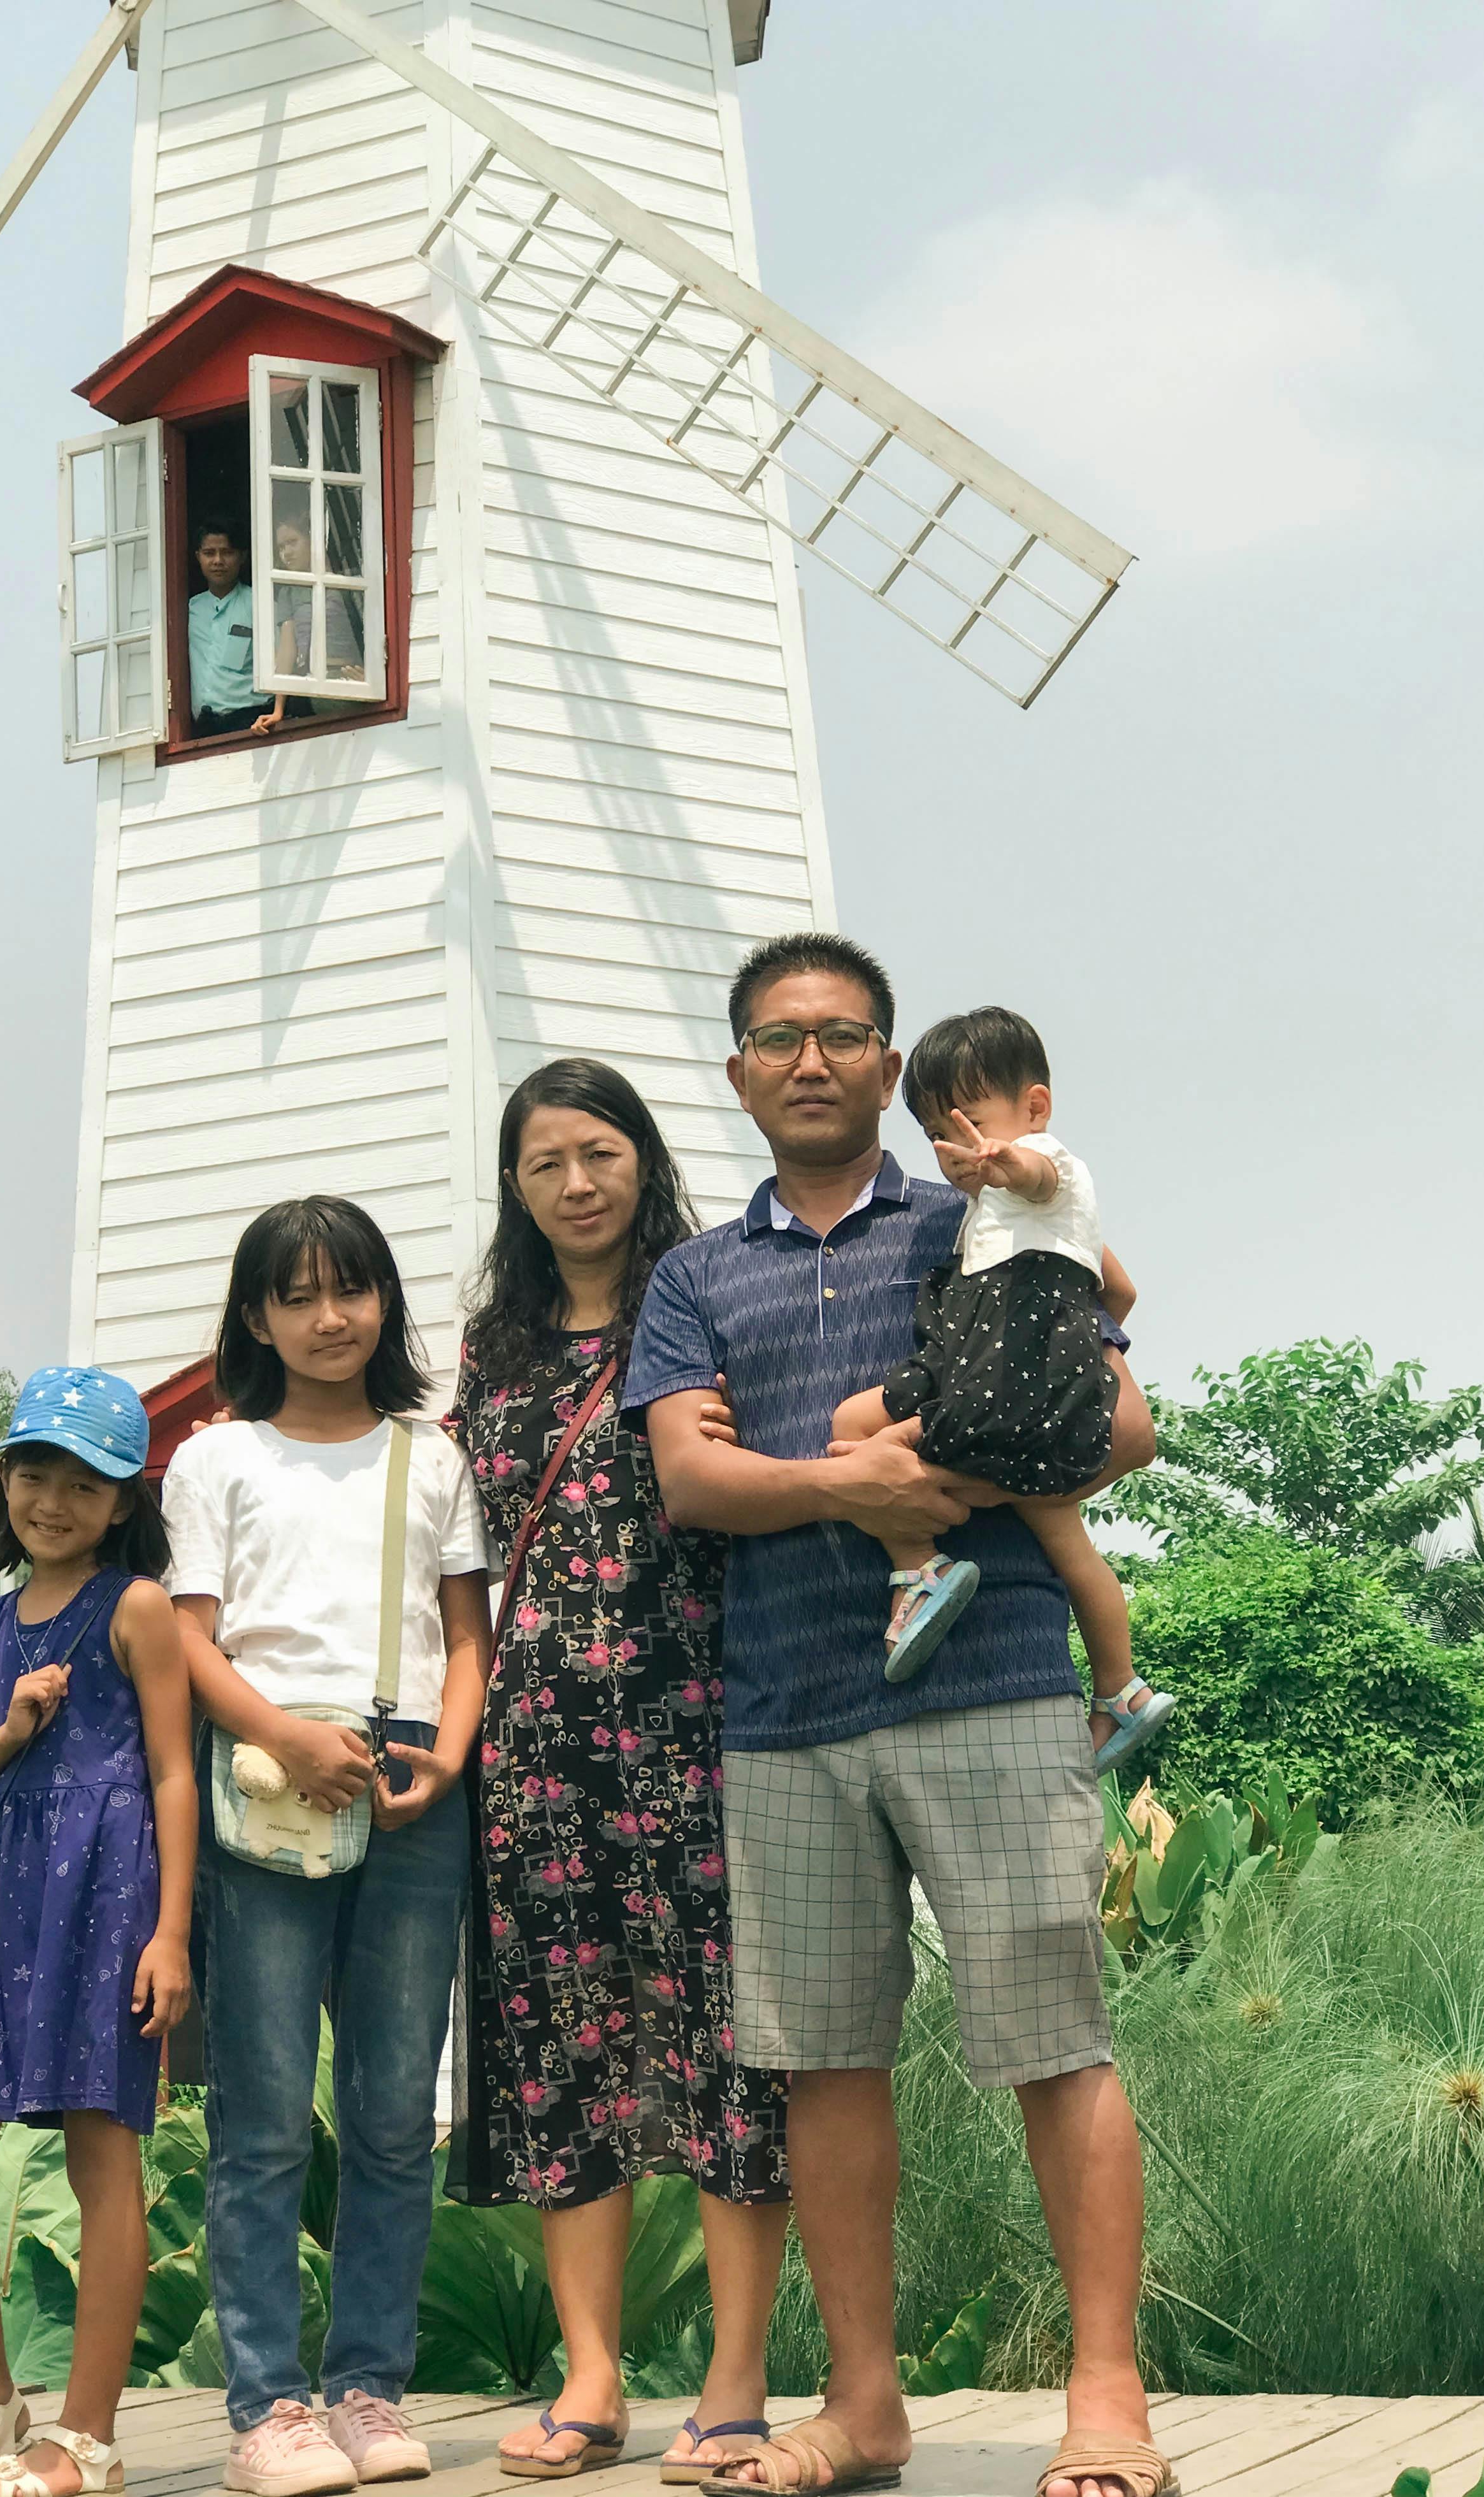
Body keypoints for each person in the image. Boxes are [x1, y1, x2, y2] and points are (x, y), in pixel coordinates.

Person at [623, 932, 1175, 2497]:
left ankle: (1104, 2395)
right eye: (777, 1036)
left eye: (842, 1031)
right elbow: (687, 1477)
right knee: (818, 2061)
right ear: (735, 1070)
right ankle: (861, 2406)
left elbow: (1120, 1419)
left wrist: (941, 1466)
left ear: (887, 1064)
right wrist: (848, 1482)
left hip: (987, 1674)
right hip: (781, 1703)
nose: (810, 1058)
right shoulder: (693, 1276)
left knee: (1049, 2037)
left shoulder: (979, 1211)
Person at [444, 1059, 791, 2486]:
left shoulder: (706, 1301)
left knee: (725, 2055)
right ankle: (589, 2379)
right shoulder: (490, 1346)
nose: (577, 1183)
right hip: (534, 1753)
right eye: (545, 1164)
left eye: (600, 1152)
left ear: (642, 1159)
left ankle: (732, 2379)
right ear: (516, 1189)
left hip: (694, 1725)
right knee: (558, 2058)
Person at [163, 1199, 492, 2497]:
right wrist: (286, 1737)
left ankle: (366, 2386)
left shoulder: (431, 1455)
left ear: (382, 1304)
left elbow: (466, 1637)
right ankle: (266, 2406)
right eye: (296, 1295)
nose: (327, 1317)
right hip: (263, 1766)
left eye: (349, 1289)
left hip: (413, 1767)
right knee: (258, 2114)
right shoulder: (213, 1457)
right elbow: (192, 1640)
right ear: (256, 1317)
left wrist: (449, 1756)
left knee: (393, 2110)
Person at [0, 1367, 195, 2497]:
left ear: (123, 1500)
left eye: (85, 1481)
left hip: (107, 1902)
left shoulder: (135, 1605)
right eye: (33, 1471)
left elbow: (173, 1770)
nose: (53, 1498)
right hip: (2, 1908)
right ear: (3, 1481)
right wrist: (17, 1725)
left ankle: (86, 2430)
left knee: (99, 2155)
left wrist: (169, 1931)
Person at [826, 1006, 1175, 1768]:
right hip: (988, 1365)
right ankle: (1122, 1690)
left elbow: (1038, 1171)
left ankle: (920, 1566)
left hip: (1004, 1384)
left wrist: (1004, 1164)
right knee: (1067, 1543)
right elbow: (1119, 1288)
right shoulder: (990, 1210)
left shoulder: (1046, 1169)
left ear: (1035, 1109)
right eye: (938, 1137)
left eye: (970, 1125)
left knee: (863, 1446)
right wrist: (1085, 1345)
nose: (957, 1151)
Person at [259, 519, 364, 731]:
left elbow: (368, 628)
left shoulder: (344, 581)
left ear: (312, 540)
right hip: (311, 684)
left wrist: (373, 677)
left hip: (351, 680)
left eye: (292, 542)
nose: (286, 552)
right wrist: (278, 709)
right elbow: (287, 650)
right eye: (281, 547)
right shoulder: (289, 591)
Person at [187, 517, 284, 738]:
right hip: (204, 727)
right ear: (198, 557)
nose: (218, 561)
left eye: (227, 553)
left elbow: (283, 661)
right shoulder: (190, 609)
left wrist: (278, 711)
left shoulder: (260, 604)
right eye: (209, 553)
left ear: (243, 556)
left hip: (251, 721)